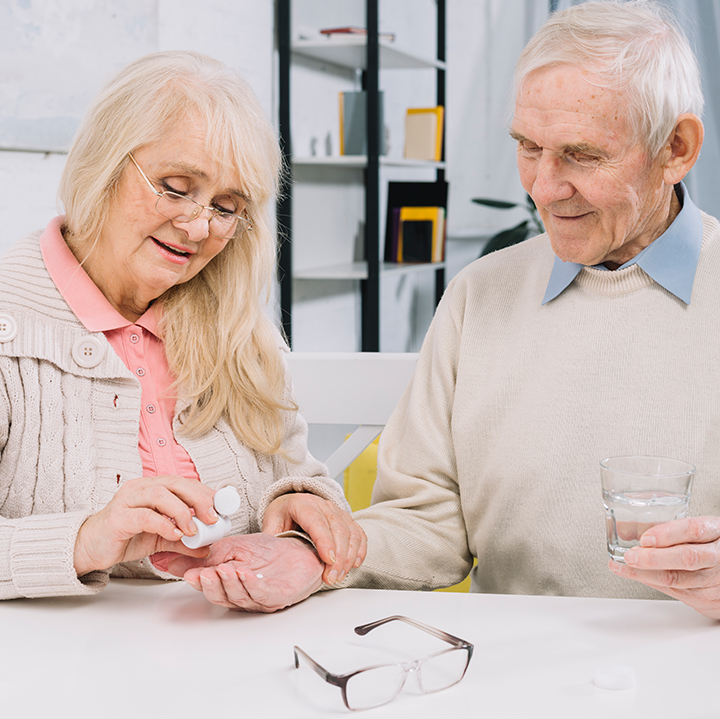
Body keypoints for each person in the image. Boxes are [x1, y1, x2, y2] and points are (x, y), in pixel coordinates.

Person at [218, 0, 720, 619]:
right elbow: (426, 522)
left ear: (676, 147)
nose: (542, 186)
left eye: (582, 154)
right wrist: (316, 556)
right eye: (528, 147)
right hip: (510, 672)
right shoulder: (481, 292)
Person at [0, 50, 365, 611]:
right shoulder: (10, 318)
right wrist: (84, 539)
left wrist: (301, 522)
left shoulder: (238, 323)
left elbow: (298, 481)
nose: (198, 227)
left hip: (231, 652)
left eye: (225, 206)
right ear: (103, 163)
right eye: (175, 186)